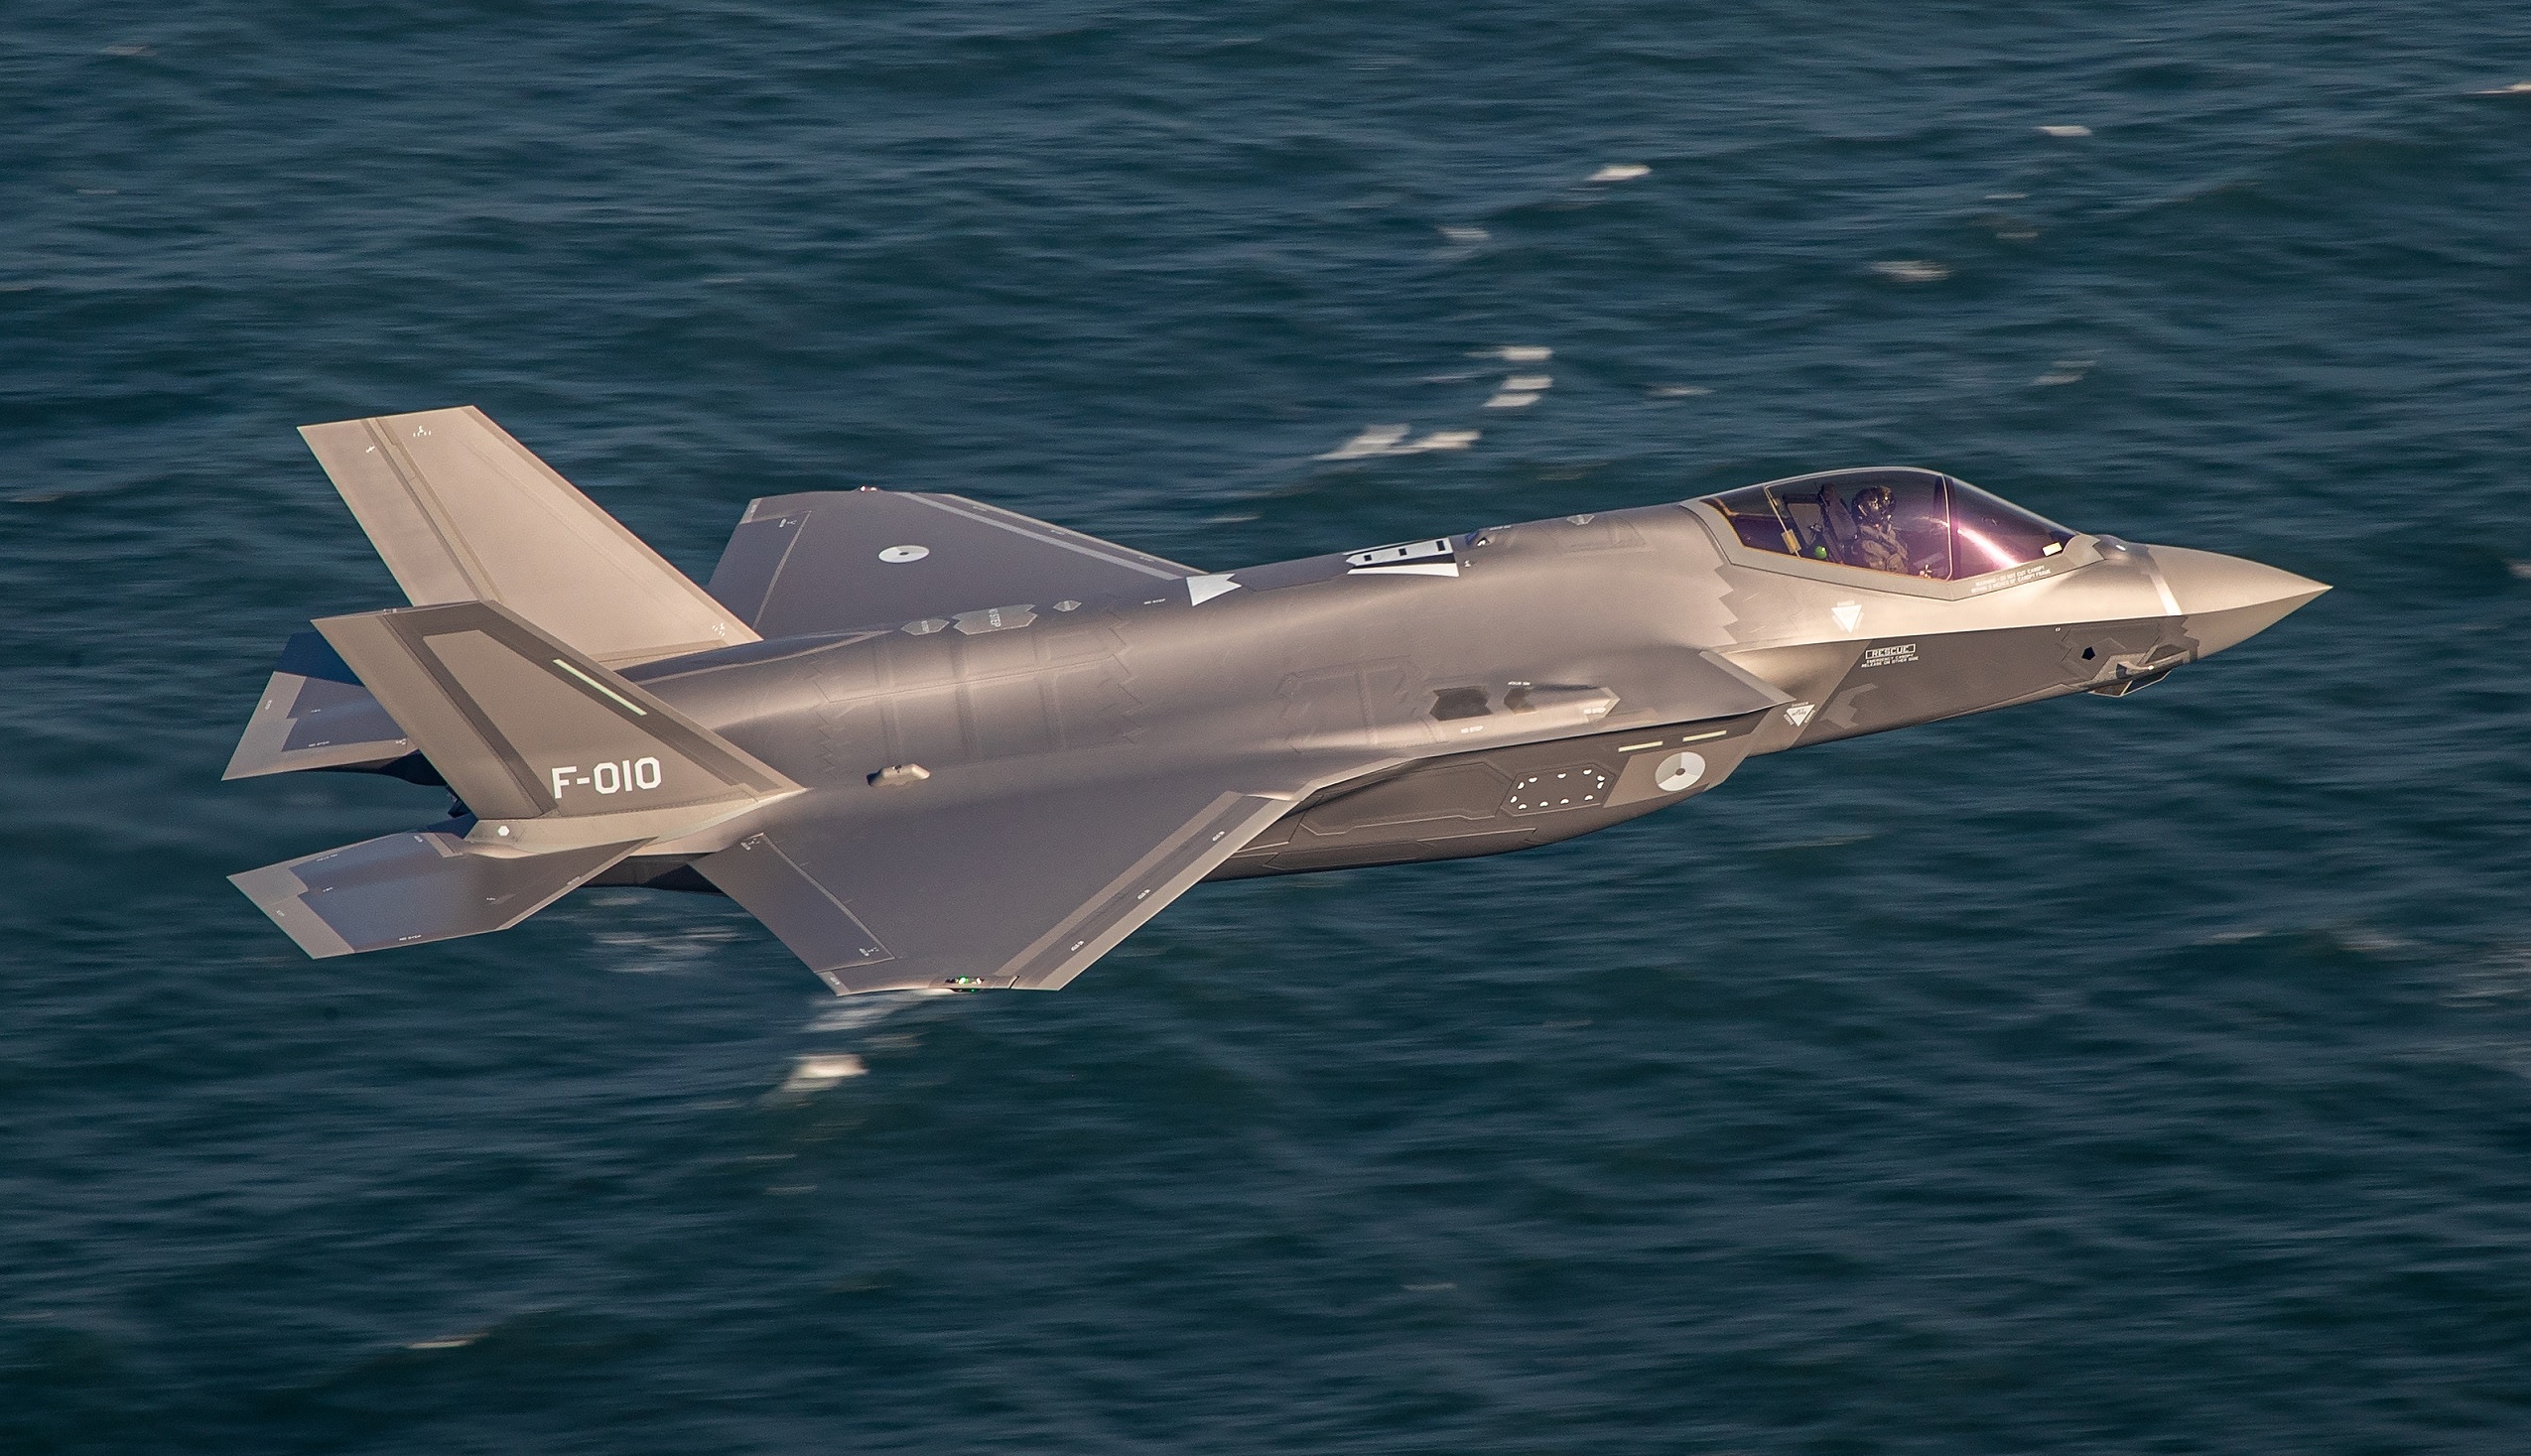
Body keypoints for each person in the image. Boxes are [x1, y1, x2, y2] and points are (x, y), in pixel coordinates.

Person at [1850, 484, 1914, 574]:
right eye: (1881, 507)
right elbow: (1886, 579)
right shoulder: (1868, 547)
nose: (1886, 511)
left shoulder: (1886, 534)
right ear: (1866, 509)